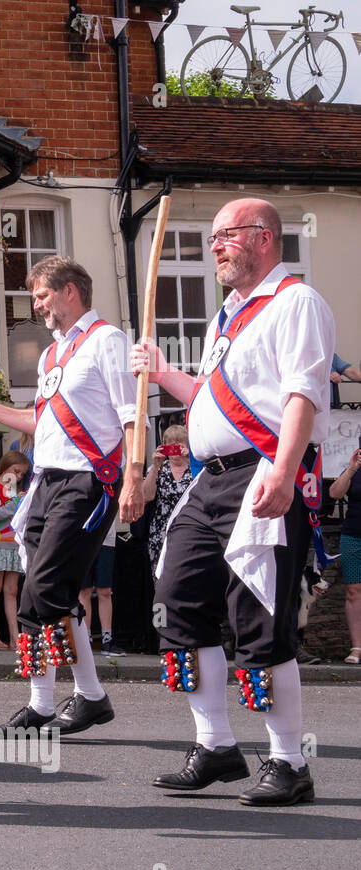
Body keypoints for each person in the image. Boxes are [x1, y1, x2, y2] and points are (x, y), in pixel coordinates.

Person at [132, 198, 333, 806]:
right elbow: (212, 400)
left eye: (225, 236)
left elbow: (303, 392)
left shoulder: (296, 303)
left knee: (258, 619)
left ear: (264, 238)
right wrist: (164, 373)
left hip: (263, 474)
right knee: (177, 600)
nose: (215, 246)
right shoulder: (226, 317)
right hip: (208, 479)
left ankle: (289, 762)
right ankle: (216, 745)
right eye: (213, 237)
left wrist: (286, 467)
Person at [0, 255, 144, 736]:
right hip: (46, 482)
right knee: (55, 595)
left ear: (71, 291)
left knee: (41, 591)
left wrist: (133, 477)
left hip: (88, 482)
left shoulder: (107, 340)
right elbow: (44, 422)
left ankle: (44, 704)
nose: (37, 305)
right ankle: (89, 697)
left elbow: (133, 415)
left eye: (42, 295)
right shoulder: (50, 355)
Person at [0, 450, 30, 650]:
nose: (18, 477)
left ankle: (14, 637)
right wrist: (15, 503)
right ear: (6, 466)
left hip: (15, 543)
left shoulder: (14, 492)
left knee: (12, 590)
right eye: (16, 471)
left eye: (22, 474)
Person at [142, 423, 194, 571]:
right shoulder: (158, 469)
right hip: (161, 530)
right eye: (170, 446)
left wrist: (191, 458)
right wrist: (156, 466)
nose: (175, 450)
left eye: (178, 445)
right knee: (161, 575)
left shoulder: (195, 469)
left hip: (189, 527)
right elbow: (146, 496)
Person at [327, 445, 361, 664]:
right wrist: (351, 469)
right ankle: (357, 648)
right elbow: (334, 493)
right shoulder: (354, 469)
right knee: (353, 591)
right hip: (353, 535)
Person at [78, 521, 122, 656]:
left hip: (106, 537)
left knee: (105, 591)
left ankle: (107, 640)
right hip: (82, 535)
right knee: (85, 590)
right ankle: (86, 638)